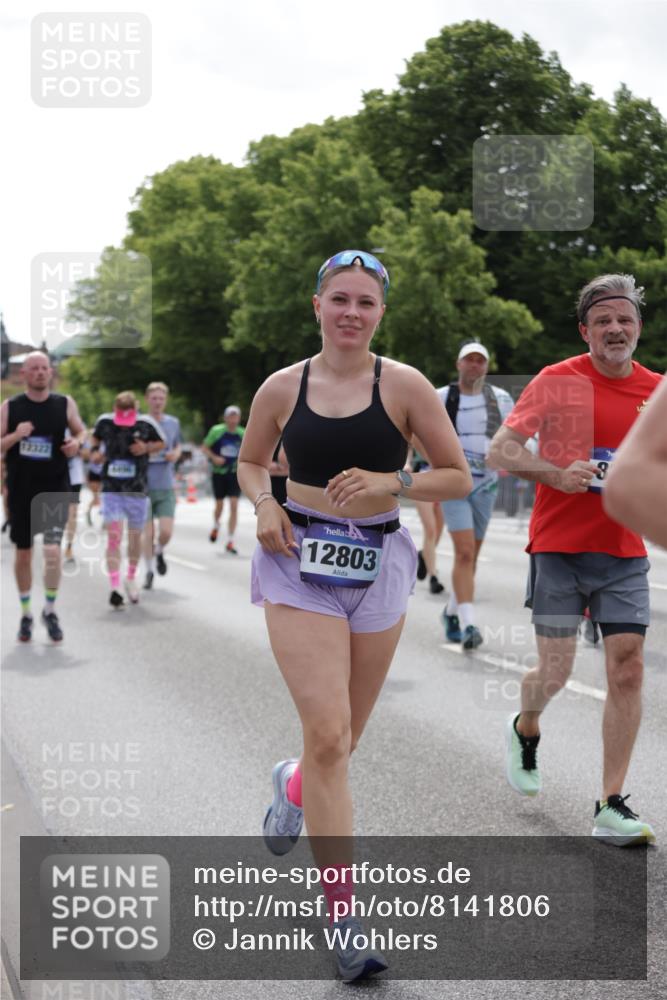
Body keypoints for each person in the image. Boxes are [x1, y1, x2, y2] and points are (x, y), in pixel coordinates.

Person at [237, 250, 470, 980]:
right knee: (329, 735)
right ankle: (343, 915)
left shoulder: (400, 385)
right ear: (316, 305)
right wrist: (266, 502)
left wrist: (393, 479)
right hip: (296, 562)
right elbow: (250, 461)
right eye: (338, 299)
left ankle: (295, 784)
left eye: (365, 303)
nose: (350, 313)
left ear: (379, 313)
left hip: (378, 565)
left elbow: (456, 473)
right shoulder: (282, 386)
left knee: (341, 746)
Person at [487, 273, 661, 846]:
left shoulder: (657, 391)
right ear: (586, 330)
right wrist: (558, 475)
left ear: (638, 327)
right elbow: (502, 450)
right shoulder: (557, 380)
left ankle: (610, 804)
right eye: (603, 321)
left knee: (628, 666)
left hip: (623, 550)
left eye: (625, 320)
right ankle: (526, 725)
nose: (615, 329)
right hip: (559, 546)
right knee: (556, 670)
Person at [0, 351, 86, 642]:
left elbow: (82, 431)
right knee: (23, 553)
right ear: (24, 374)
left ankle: (49, 609)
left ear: (51, 373)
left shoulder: (64, 403)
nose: (39, 372)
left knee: (52, 552)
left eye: (44, 368)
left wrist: (76, 442)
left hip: (53, 487)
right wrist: (16, 436)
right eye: (33, 368)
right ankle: (26, 613)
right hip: (21, 489)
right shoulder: (10, 406)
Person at [437, 342, 514, 648]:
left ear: (486, 366)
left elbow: (516, 433)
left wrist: (509, 455)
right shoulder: (440, 397)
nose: (474, 366)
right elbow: (414, 430)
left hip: (487, 484)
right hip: (453, 483)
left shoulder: (500, 398)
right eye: (469, 360)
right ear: (459, 365)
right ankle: (470, 626)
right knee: (465, 552)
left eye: (480, 361)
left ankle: (451, 612)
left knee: (472, 557)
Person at [91, 392, 165, 609]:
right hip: (111, 489)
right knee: (114, 536)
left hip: (136, 490)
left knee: (134, 538)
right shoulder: (105, 422)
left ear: (136, 408)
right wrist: (95, 451)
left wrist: (146, 448)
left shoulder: (146, 424)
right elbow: (94, 439)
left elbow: (161, 444)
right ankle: (115, 586)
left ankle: (131, 577)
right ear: (114, 408)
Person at [604, 374, 667, 549]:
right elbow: (628, 480)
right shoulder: (557, 378)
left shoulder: (655, 383)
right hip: (561, 543)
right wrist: (559, 476)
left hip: (630, 547)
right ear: (587, 343)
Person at [140, 382, 182, 589]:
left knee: (166, 532)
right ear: (147, 399)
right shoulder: (140, 423)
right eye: (154, 398)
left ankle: (158, 551)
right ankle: (148, 571)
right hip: (143, 486)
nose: (157, 402)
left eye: (161, 399)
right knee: (147, 533)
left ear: (165, 401)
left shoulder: (173, 423)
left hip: (166, 484)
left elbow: (177, 445)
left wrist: (175, 454)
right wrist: (149, 450)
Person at [202, 405, 245, 553]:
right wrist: (214, 458)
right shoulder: (217, 431)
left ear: (239, 418)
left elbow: (248, 452)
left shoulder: (243, 433)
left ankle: (231, 540)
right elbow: (205, 447)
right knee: (219, 505)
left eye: (235, 417)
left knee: (234, 505)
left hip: (233, 473)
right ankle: (216, 525)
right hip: (218, 472)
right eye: (230, 416)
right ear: (225, 418)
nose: (233, 420)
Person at [411, 449, 446, 594]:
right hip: (422, 476)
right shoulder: (419, 426)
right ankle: (433, 577)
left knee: (438, 530)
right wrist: (407, 463)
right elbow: (409, 442)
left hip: (443, 479)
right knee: (430, 529)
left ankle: (424, 554)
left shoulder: (451, 426)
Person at [64, 431, 86, 564]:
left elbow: (89, 455)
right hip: (54, 477)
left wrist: (77, 448)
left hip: (74, 479)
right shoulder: (51, 421)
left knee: (72, 514)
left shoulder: (79, 430)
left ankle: (69, 547)